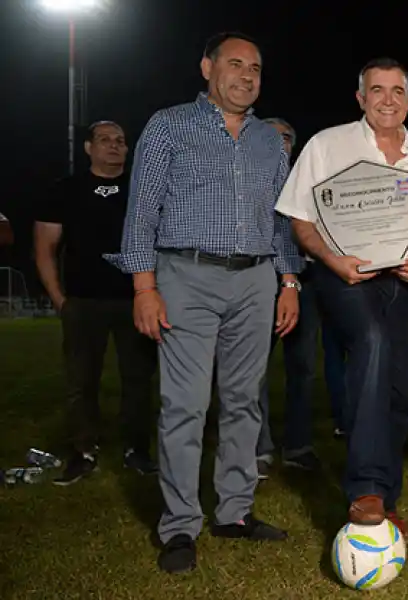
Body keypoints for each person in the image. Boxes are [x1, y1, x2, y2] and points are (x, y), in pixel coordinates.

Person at [108, 32, 302, 574]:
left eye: (256, 68)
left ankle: (234, 513)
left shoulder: (269, 140)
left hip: (256, 279)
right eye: (235, 64)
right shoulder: (169, 126)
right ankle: (179, 526)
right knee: (185, 405)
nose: (246, 75)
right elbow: (141, 212)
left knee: (244, 402)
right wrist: (144, 287)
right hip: (185, 276)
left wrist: (290, 282)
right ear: (206, 68)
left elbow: (282, 219)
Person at [275, 57, 408, 534]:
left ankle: (385, 497)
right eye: (376, 90)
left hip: (406, 283)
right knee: (371, 344)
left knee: (398, 388)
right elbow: (299, 219)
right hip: (345, 276)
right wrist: (332, 260)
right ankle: (365, 487)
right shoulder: (328, 145)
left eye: (397, 91)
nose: (387, 99)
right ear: (360, 98)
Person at [34, 120, 158, 485]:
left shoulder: (142, 189)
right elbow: (44, 249)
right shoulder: (65, 190)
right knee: (81, 381)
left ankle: (137, 449)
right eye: (105, 140)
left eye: (121, 140)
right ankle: (83, 451)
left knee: (138, 379)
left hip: (134, 299)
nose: (115, 146)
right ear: (88, 147)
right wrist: (60, 299)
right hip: (83, 302)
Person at [254, 117, 344, 479]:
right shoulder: (250, 180)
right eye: (271, 136)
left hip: (304, 283)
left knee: (303, 368)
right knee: (253, 370)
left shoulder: (311, 183)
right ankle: (258, 448)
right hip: (259, 281)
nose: (280, 143)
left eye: (287, 137)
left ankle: (298, 444)